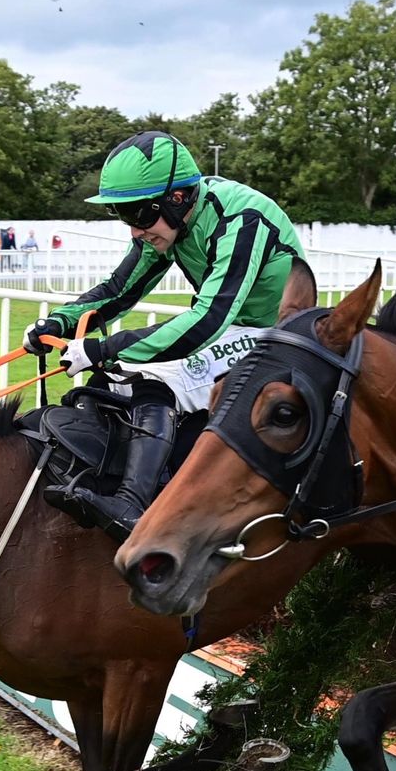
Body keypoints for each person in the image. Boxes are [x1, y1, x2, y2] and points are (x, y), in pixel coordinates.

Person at [20, 130, 306, 537]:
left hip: (276, 334)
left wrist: (104, 348)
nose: (135, 230)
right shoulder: (167, 223)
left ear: (177, 198)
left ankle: (133, 506)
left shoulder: (243, 218)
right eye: (124, 216)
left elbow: (211, 318)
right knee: (113, 379)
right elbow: (119, 290)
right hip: (232, 326)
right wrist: (60, 321)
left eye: (138, 214)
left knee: (155, 375)